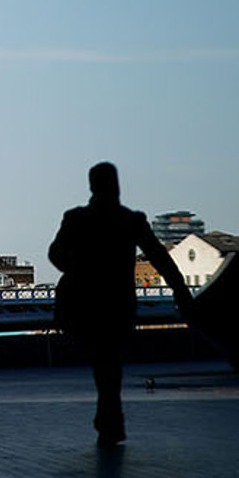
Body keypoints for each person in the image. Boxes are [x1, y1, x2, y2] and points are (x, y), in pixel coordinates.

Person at [48, 162, 193, 447]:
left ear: (92, 186)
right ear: (116, 185)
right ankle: (110, 419)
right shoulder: (131, 220)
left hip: (85, 303)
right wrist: (180, 290)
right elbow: (159, 258)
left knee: (102, 364)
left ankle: (109, 419)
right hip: (118, 303)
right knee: (110, 363)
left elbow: (55, 254)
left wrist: (76, 268)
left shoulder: (76, 219)